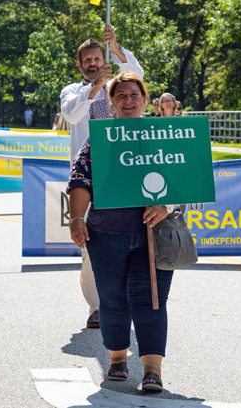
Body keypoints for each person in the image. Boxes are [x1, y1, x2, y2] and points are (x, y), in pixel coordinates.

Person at [68, 72, 174, 392]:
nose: (128, 100)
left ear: (145, 99)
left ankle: (152, 370)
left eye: (134, 94)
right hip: (105, 235)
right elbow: (80, 180)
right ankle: (117, 359)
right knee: (112, 300)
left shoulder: (165, 136)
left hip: (153, 236)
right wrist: (76, 218)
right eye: (121, 95)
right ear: (112, 102)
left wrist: (166, 206)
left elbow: (186, 178)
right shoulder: (98, 139)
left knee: (151, 300)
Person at [60, 25, 144, 329]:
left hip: (125, 170)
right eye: (88, 61)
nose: (94, 64)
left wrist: (117, 47)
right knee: (90, 244)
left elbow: (136, 74)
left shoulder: (117, 87)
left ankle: (126, 300)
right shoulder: (73, 91)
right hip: (90, 174)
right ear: (80, 65)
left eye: (98, 58)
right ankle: (98, 307)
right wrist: (96, 87)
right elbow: (71, 114)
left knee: (128, 238)